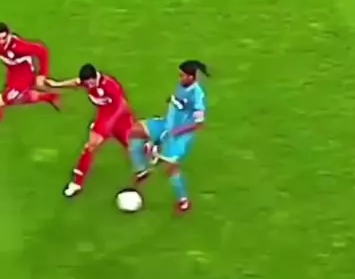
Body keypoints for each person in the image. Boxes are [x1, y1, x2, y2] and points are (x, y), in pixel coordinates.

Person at [127, 60, 209, 214]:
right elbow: (180, 104)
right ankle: (142, 171)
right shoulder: (182, 85)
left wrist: (176, 132)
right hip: (166, 125)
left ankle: (183, 200)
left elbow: (199, 124)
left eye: (182, 75)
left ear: (191, 77)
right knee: (135, 131)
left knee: (170, 168)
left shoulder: (198, 96)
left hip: (180, 136)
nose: (180, 78)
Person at [45, 64, 135, 197]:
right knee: (91, 146)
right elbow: (76, 82)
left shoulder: (110, 85)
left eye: (89, 83)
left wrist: (110, 123)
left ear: (95, 77)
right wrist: (56, 85)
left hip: (120, 118)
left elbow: (122, 105)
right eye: (86, 84)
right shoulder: (89, 82)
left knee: (133, 147)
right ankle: (77, 183)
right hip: (104, 119)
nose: (87, 86)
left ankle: (151, 153)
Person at [0, 22, 59, 119]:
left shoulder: (17, 47)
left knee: (6, 98)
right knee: (14, 99)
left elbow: (42, 51)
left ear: (8, 35)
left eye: (4, 38)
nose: (1, 42)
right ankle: (48, 97)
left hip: (24, 74)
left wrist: (42, 74)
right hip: (13, 72)